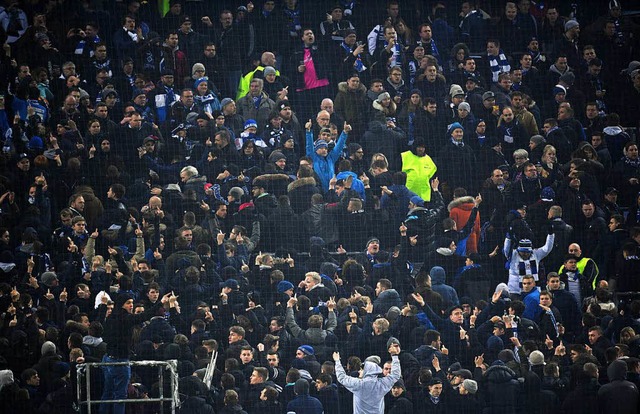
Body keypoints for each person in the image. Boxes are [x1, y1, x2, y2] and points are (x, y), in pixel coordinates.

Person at [334, 338, 402, 414]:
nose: (360, 370)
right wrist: (394, 356)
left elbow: (341, 377)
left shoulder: (359, 384)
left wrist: (337, 361)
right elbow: (396, 375)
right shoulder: (382, 384)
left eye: (363, 369)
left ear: (366, 370)